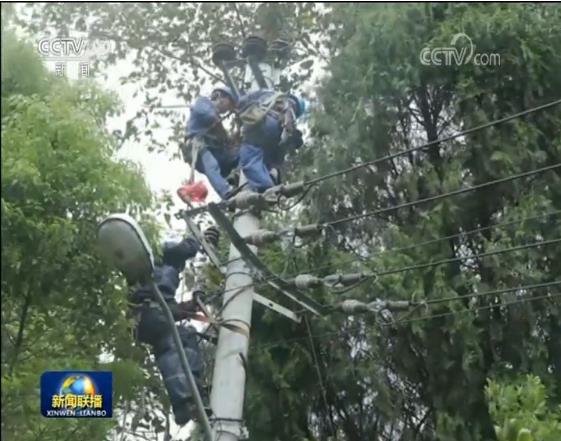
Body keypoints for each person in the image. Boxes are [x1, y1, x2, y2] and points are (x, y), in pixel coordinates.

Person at [130, 227, 220, 426]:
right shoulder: (157, 255)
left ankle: (183, 403)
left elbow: (166, 307)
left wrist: (190, 306)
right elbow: (179, 249)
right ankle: (190, 398)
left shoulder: (159, 279)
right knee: (181, 340)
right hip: (149, 313)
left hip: (147, 317)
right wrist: (199, 241)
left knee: (173, 343)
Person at [237, 91, 305, 193]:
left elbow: (243, 99)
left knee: (249, 156)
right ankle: (269, 181)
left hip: (264, 123)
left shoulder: (271, 94)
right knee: (266, 161)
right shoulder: (291, 113)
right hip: (278, 135)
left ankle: (266, 187)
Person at [179, 86, 240, 200]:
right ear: (219, 97)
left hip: (216, 152)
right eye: (229, 103)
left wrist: (236, 136)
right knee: (212, 165)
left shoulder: (216, 119)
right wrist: (214, 113)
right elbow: (205, 113)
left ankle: (236, 177)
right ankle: (226, 192)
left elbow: (226, 141)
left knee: (241, 152)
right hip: (198, 146)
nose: (228, 109)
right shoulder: (203, 102)